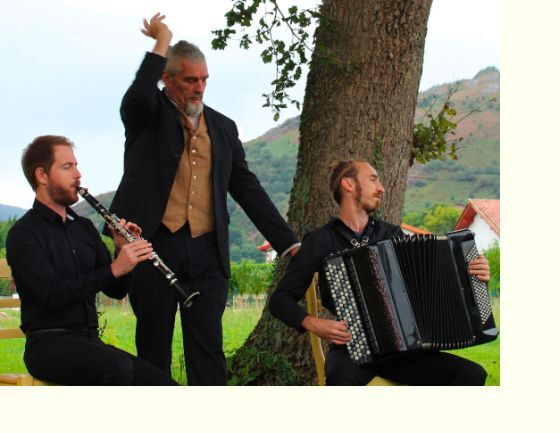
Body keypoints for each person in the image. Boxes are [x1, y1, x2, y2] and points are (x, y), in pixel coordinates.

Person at [109, 13, 299, 385]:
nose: (199, 88)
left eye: (204, 80)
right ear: (167, 79)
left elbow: (247, 188)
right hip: (152, 246)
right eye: (190, 80)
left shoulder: (223, 127)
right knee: (153, 348)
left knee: (208, 351)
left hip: (208, 252)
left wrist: (288, 242)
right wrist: (162, 40)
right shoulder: (145, 115)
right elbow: (138, 95)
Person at [269, 159, 490, 385]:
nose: (381, 188)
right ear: (348, 184)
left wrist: (472, 275)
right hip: (352, 351)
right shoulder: (320, 241)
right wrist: (313, 323)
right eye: (373, 179)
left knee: (472, 374)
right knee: (339, 378)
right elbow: (279, 300)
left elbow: (427, 284)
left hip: (405, 351)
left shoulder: (391, 234)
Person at [6, 135, 178, 386]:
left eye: (76, 165)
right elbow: (51, 295)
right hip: (47, 345)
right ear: (41, 175)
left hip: (90, 343)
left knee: (165, 386)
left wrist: (122, 252)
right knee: (117, 369)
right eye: (67, 167)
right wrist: (114, 268)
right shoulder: (24, 234)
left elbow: (115, 290)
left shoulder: (84, 228)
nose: (78, 174)